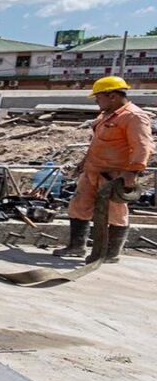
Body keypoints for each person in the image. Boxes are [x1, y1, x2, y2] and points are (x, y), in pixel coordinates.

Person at [54, 76, 154, 263]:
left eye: (98, 97)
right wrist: (84, 162)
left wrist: (132, 173)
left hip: (115, 176)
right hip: (92, 171)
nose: (96, 101)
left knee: (115, 212)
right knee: (79, 207)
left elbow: (142, 147)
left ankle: (111, 253)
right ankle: (76, 246)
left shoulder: (134, 117)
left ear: (112, 96)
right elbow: (97, 143)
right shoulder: (106, 115)